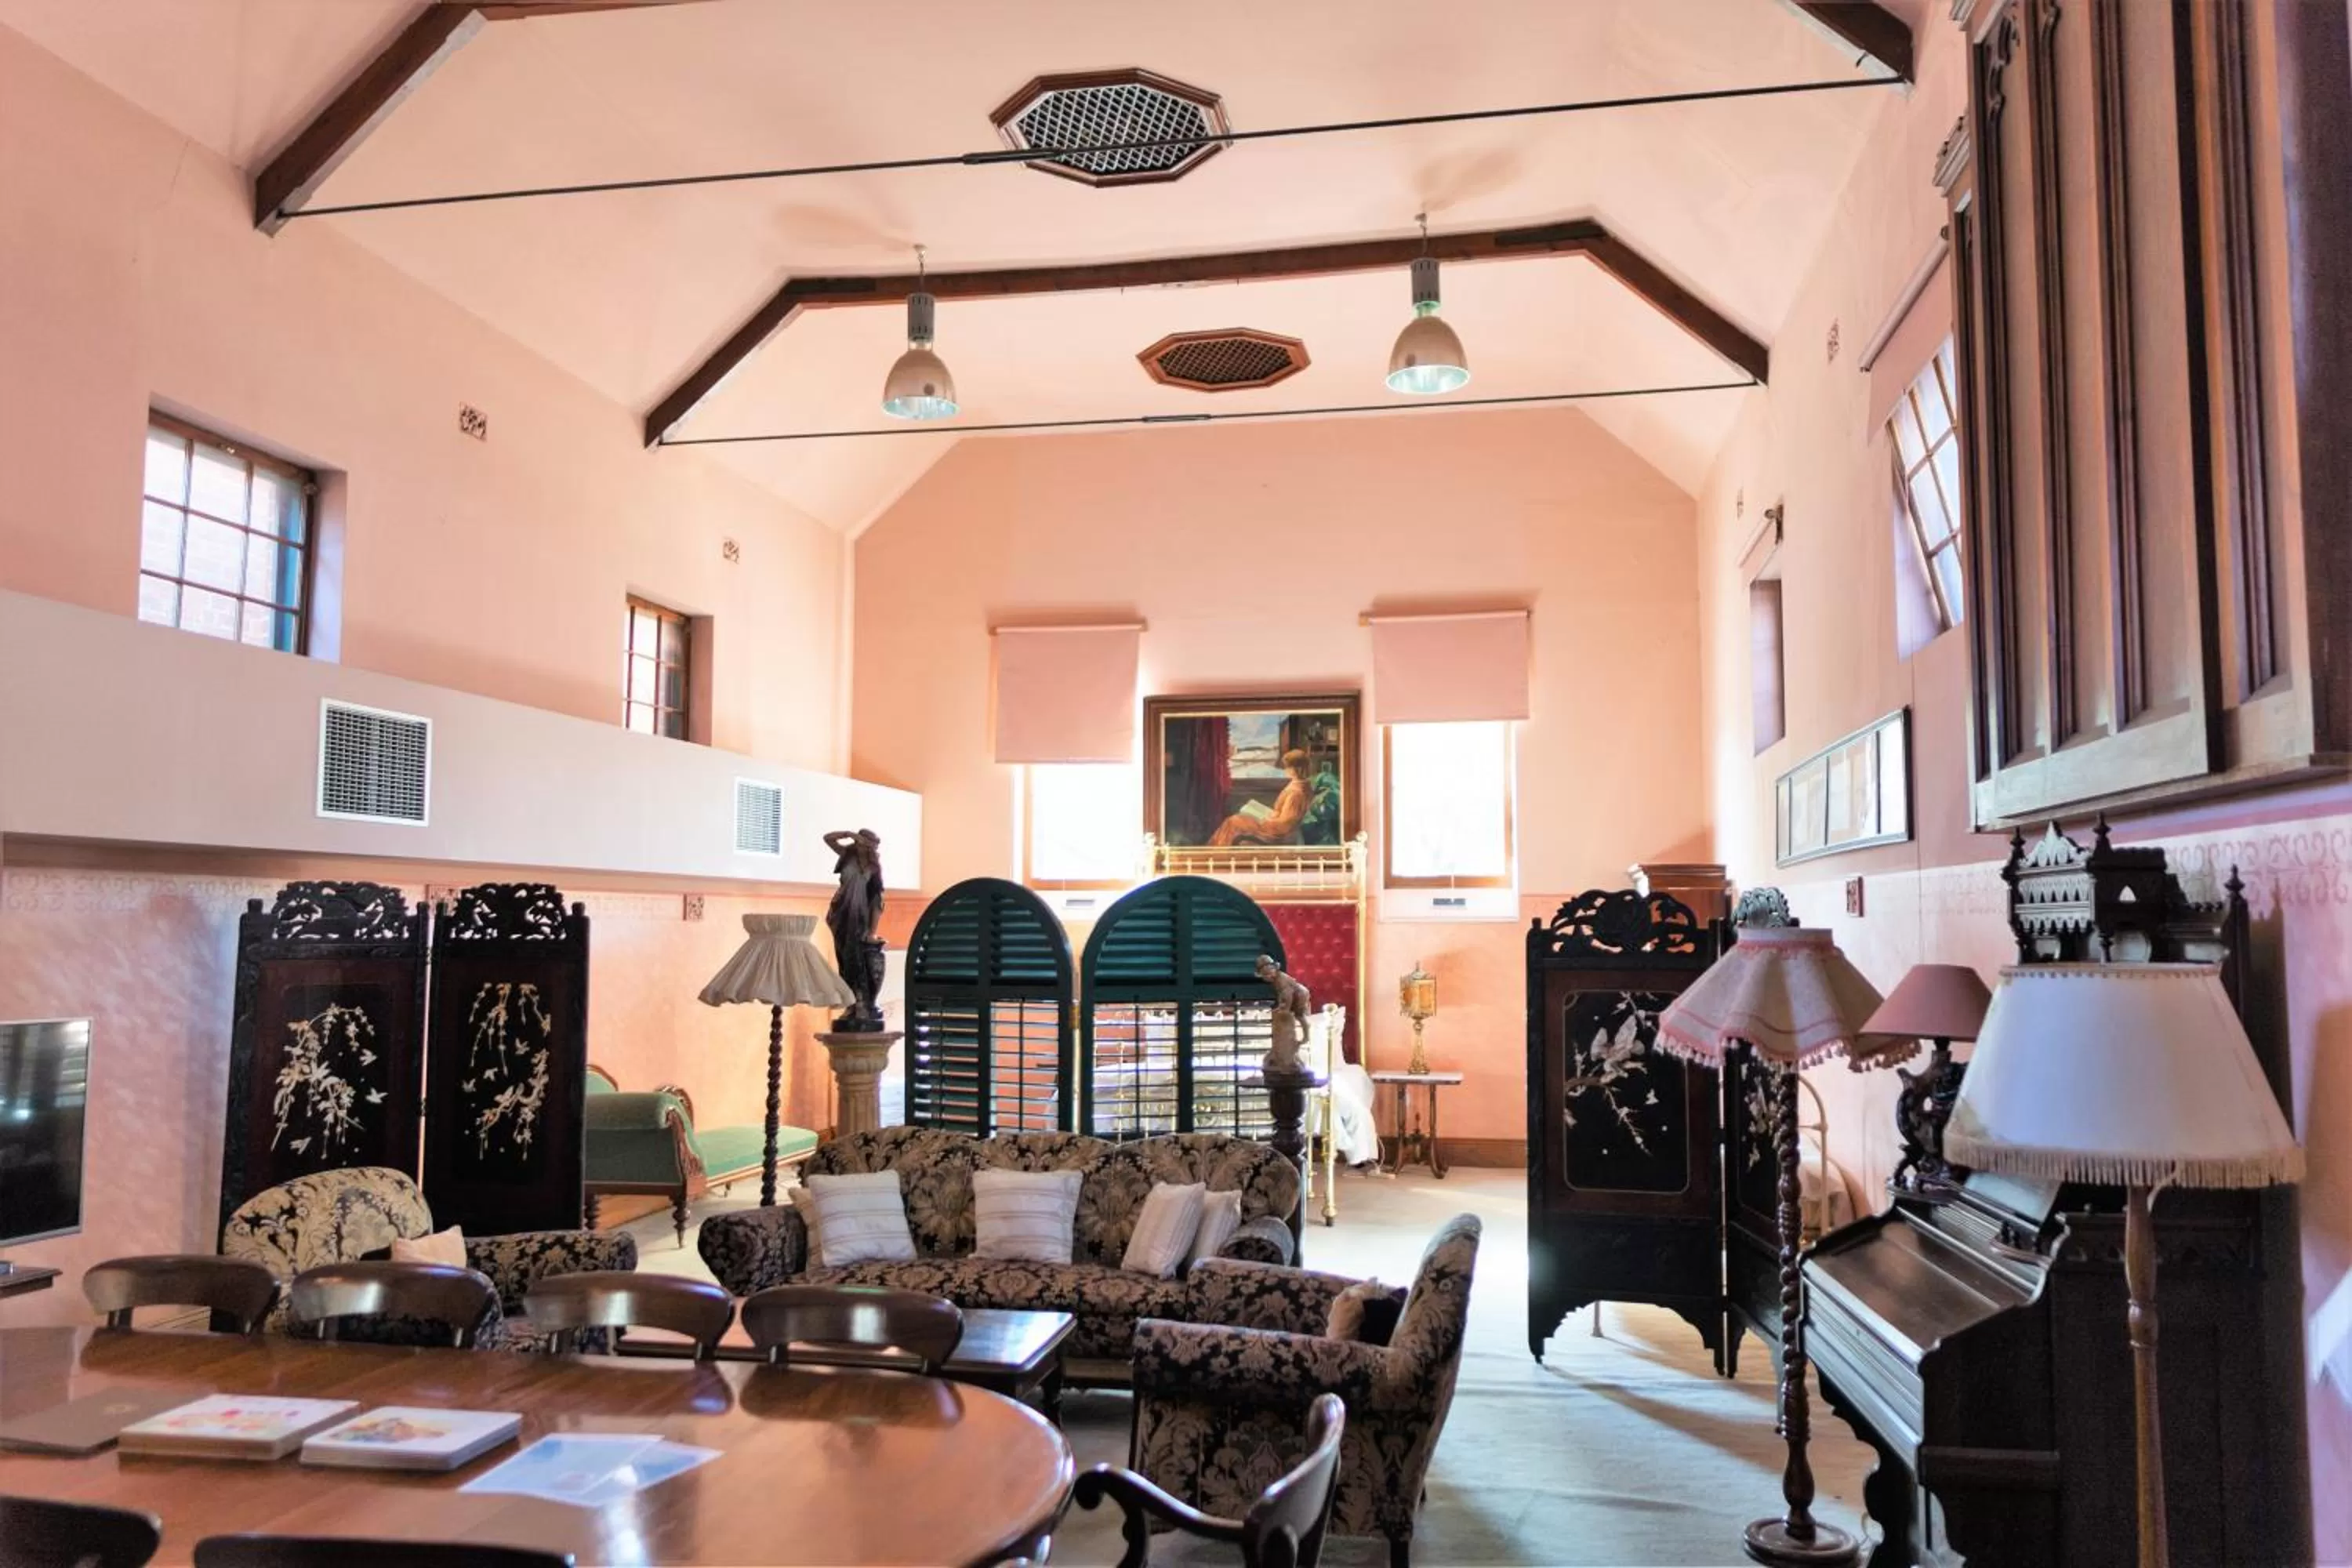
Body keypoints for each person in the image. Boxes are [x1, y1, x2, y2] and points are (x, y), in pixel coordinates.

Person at [1209, 748, 1313, 847]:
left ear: (1297, 769)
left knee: (1233, 822)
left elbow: (1284, 825)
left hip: (1275, 832)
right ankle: (1214, 850)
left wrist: (1265, 819)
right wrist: (1270, 815)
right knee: (1234, 820)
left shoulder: (1296, 793)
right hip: (1274, 822)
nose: (1286, 770)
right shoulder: (1301, 785)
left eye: (1288, 767)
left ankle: (1215, 852)